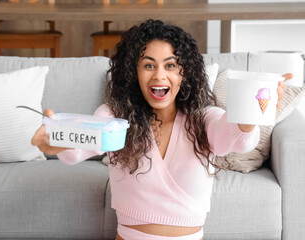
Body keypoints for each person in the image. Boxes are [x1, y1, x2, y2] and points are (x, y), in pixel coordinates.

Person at [31, 19, 289, 240]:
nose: (159, 76)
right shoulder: (114, 117)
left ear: (183, 73)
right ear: (134, 72)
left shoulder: (204, 119)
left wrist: (254, 110)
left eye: (170, 65)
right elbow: (79, 148)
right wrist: (56, 138)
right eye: (149, 65)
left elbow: (238, 139)